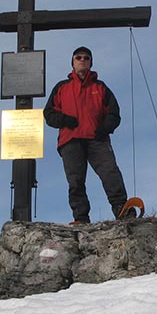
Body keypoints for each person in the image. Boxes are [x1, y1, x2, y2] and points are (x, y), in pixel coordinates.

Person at [44, 46, 132, 223]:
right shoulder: (62, 87)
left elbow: (114, 113)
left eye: (86, 57)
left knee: (110, 173)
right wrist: (65, 120)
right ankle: (81, 218)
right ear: (73, 63)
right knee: (75, 181)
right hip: (71, 141)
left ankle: (122, 210)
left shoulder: (100, 87)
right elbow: (49, 113)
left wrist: (105, 127)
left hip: (96, 138)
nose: (82, 60)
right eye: (78, 57)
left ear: (91, 62)